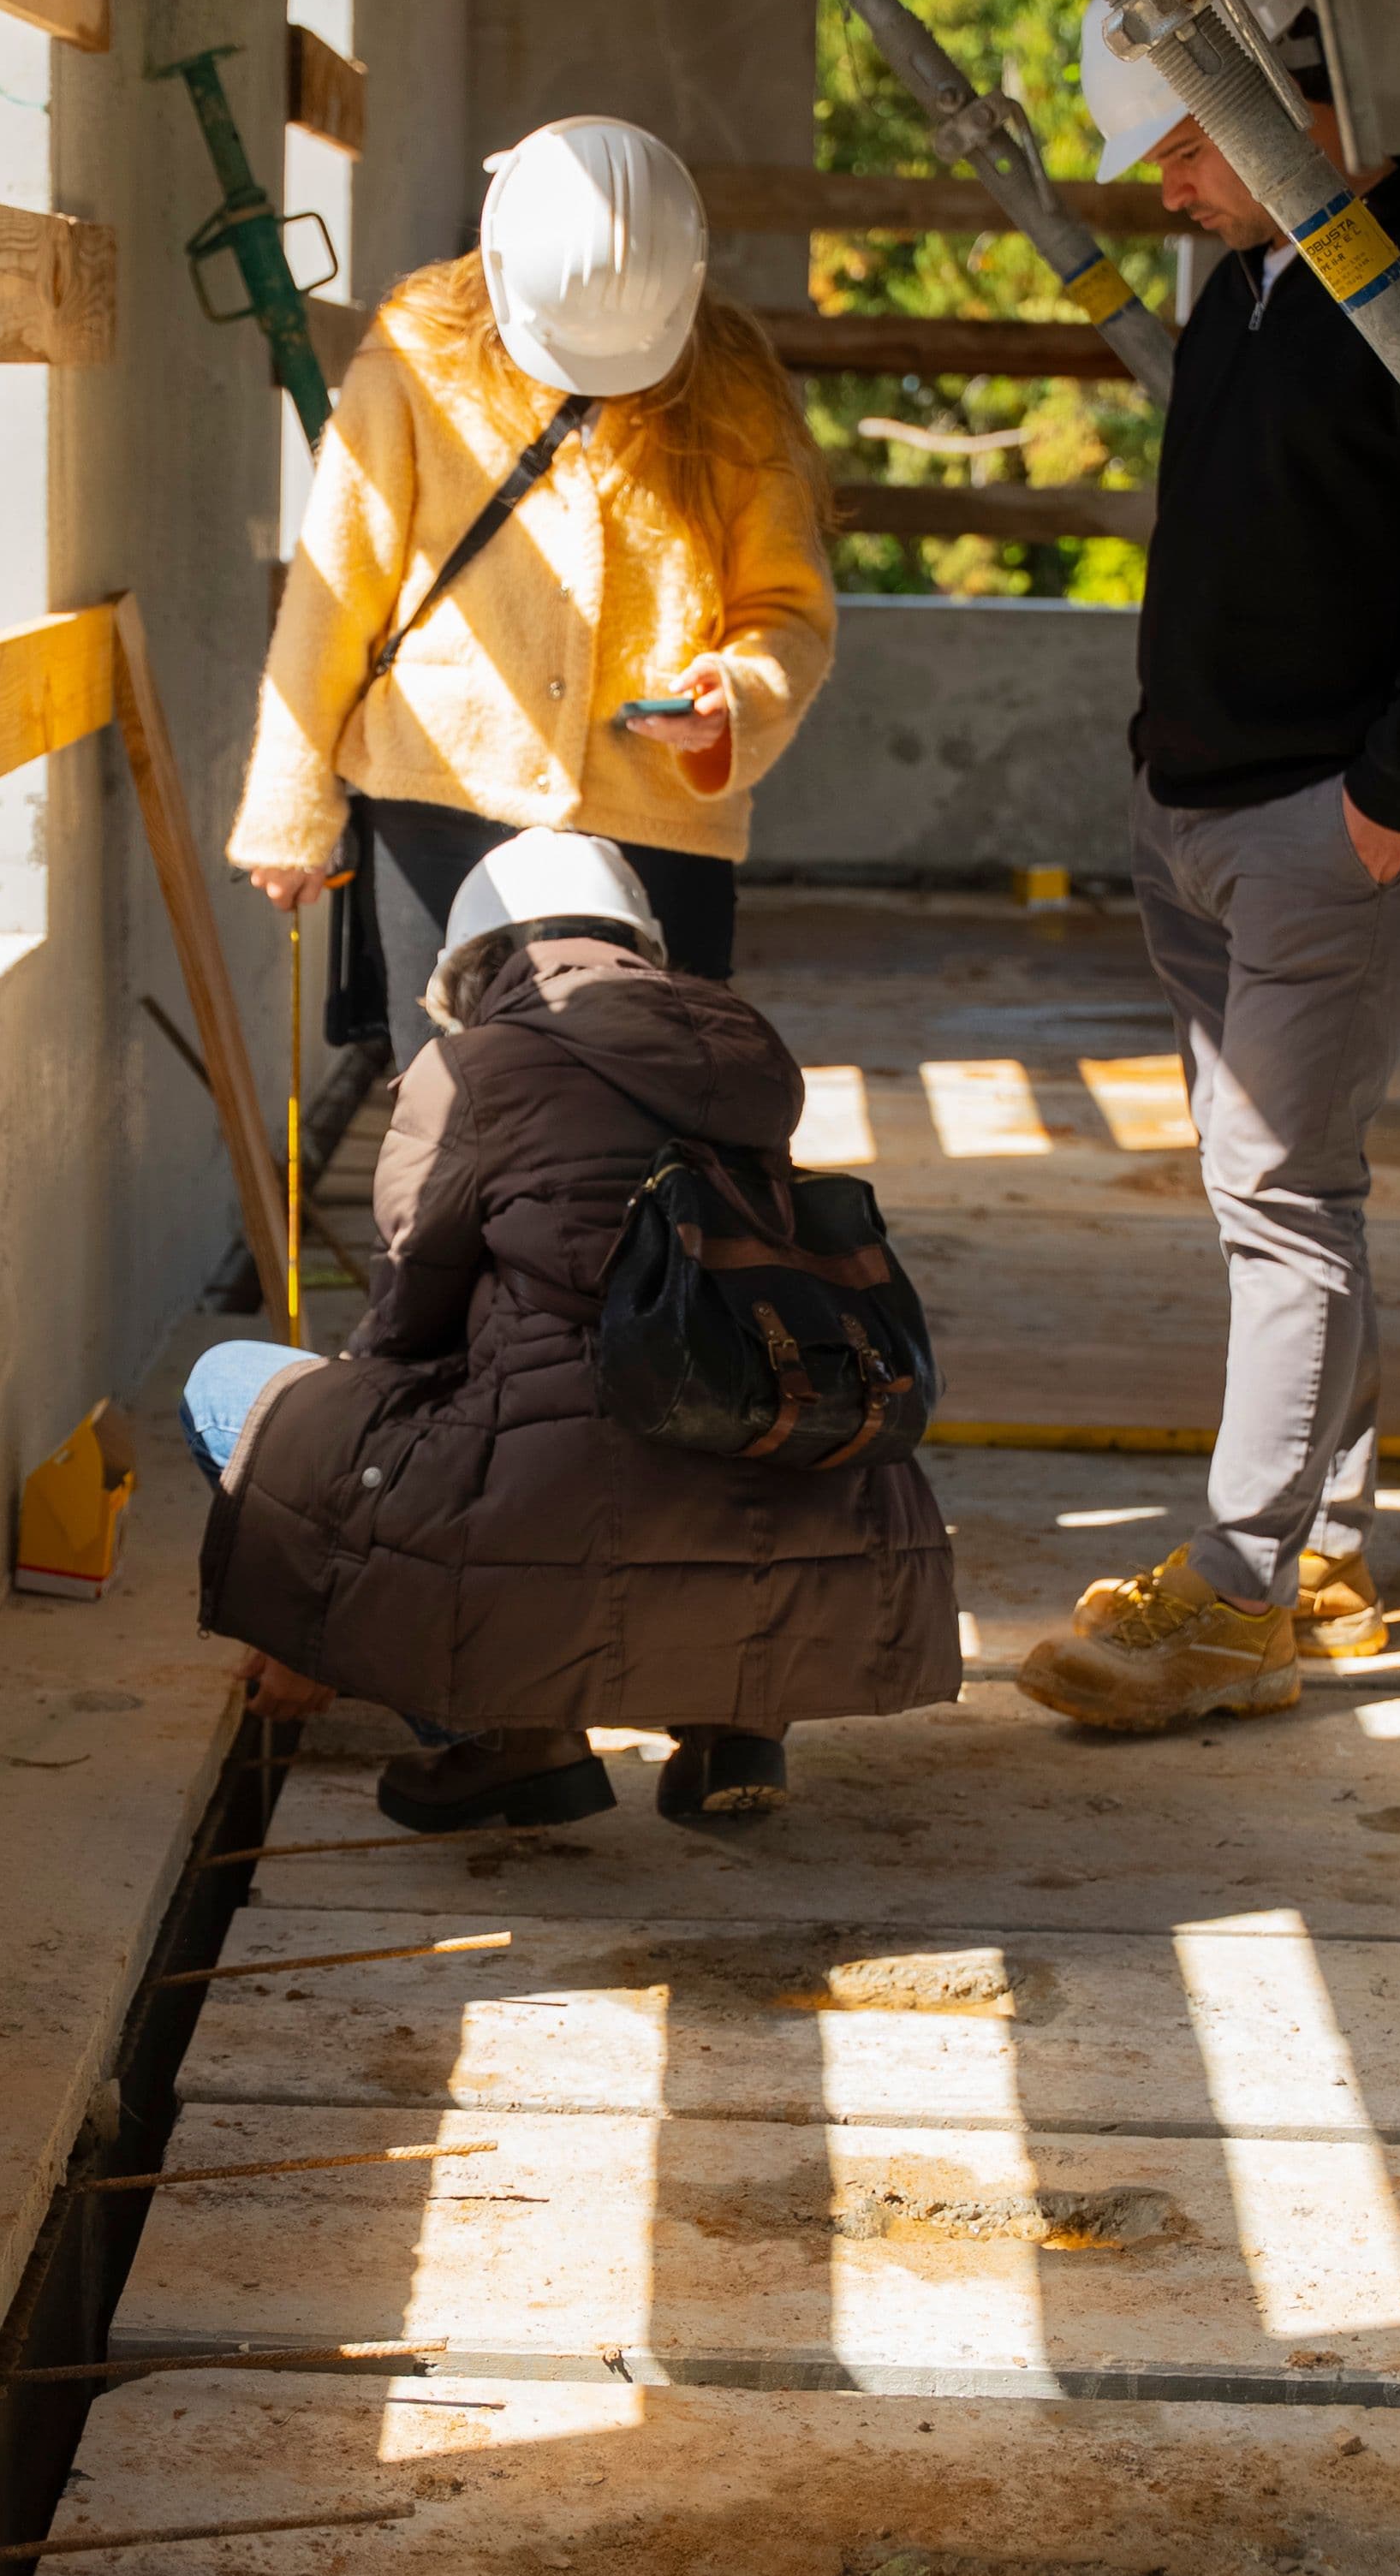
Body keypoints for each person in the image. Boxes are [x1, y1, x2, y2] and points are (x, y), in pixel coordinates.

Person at [1016, 0, 1400, 1736]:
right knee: (1283, 1196)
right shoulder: (1259, 282)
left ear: (1284, 100)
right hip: (1199, 810)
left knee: (1279, 1196)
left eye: (1183, 144)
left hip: (1323, 823)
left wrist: (1396, 795)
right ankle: (1323, 1551)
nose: (1162, 186)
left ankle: (1244, 1586)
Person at [182, 830, 960, 1831]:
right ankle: (736, 1719)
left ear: (470, 968)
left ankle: (515, 1739)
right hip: (793, 1472)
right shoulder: (747, 1054)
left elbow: (408, 1316)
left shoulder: (468, 1069)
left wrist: (308, 1567)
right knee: (690, 1422)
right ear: (640, 946)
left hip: (548, 1504)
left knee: (231, 1385)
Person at [228, 116, 836, 1062]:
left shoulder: (734, 386)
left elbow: (788, 610)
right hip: (437, 801)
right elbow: (335, 587)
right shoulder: (414, 351)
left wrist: (737, 696)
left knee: (658, 1117)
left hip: (658, 819)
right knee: (450, 1115)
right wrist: (291, 807)